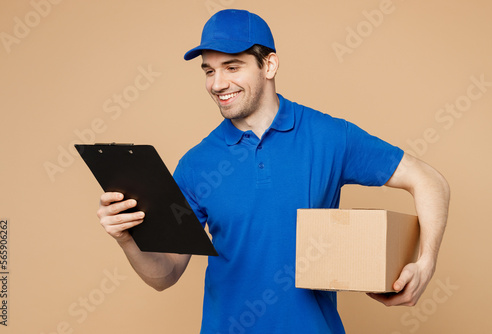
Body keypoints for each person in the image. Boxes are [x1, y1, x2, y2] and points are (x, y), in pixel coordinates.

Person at [96, 9, 450, 334]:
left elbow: (429, 181)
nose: (217, 84)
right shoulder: (196, 164)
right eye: (209, 70)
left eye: (232, 67)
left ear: (269, 65)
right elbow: (166, 274)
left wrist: (426, 263)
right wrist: (127, 239)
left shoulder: (329, 137)